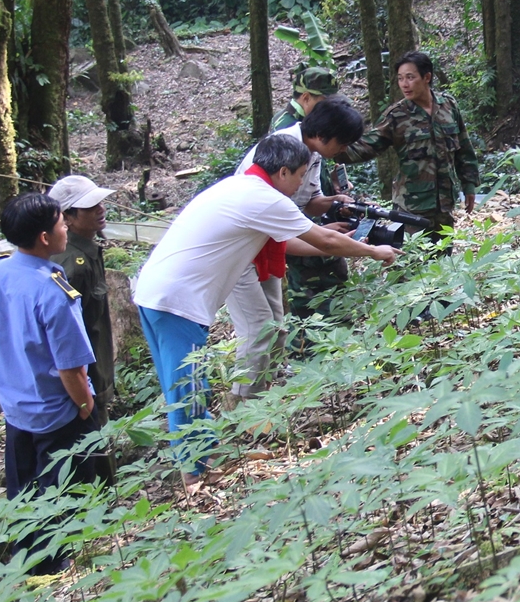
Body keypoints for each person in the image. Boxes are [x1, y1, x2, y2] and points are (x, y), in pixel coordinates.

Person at [132, 134, 397, 485]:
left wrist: (352, 246)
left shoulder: (240, 187)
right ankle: (194, 477)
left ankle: (200, 462)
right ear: (283, 172)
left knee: (185, 384)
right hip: (177, 302)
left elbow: (289, 242)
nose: (304, 183)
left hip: (157, 292)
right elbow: (326, 238)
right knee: (188, 387)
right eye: (301, 174)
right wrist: (375, 252)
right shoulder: (264, 197)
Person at [0, 193, 100, 574]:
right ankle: (52, 569)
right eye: (62, 222)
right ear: (45, 237)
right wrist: (84, 405)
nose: (66, 228)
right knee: (60, 490)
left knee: (23, 488)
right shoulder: (51, 289)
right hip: (56, 411)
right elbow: (71, 367)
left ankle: (28, 563)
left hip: (15, 406)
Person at [224, 99, 362, 397]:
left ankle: (268, 394)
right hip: (244, 247)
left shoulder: (312, 153)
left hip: (268, 244)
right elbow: (279, 217)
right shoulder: (283, 151)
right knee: (257, 328)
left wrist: (334, 202)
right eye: (343, 143)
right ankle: (242, 402)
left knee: (275, 323)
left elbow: (305, 202)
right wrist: (342, 243)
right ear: (324, 136)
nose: (343, 150)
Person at [339, 51, 479, 235]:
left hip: (444, 206)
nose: (404, 84)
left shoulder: (448, 106)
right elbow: (367, 146)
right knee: (413, 259)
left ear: (427, 77)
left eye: (410, 77)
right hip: (411, 209)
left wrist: (469, 185)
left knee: (444, 260)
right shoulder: (397, 115)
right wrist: (331, 149)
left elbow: (464, 149)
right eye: (400, 78)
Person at [47, 175, 119, 480]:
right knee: (93, 442)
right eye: (90, 206)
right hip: (83, 373)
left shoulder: (88, 249)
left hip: (97, 365)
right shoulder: (70, 265)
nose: (101, 209)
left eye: (100, 202)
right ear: (69, 218)